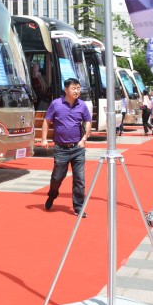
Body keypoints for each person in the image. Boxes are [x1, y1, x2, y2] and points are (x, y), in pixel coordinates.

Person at [40, 78, 92, 217]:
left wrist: (84, 139)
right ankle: (52, 195)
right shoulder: (56, 104)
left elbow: (88, 121)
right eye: (74, 88)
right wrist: (44, 139)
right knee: (57, 177)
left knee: (79, 179)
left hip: (78, 148)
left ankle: (78, 207)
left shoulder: (82, 105)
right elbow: (47, 121)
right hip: (61, 149)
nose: (77, 91)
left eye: (78, 88)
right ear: (66, 89)